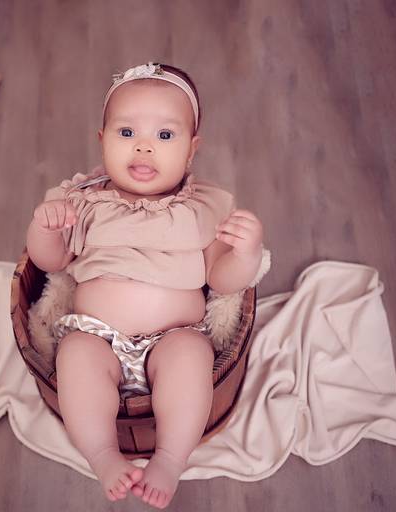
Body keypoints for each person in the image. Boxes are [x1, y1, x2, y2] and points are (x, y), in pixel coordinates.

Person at [25, 62, 264, 509]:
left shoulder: (204, 208)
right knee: (74, 356)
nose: (144, 147)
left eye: (165, 135)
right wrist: (44, 227)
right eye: (127, 132)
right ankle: (103, 455)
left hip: (173, 336)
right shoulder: (84, 200)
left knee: (192, 357)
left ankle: (170, 459)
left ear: (192, 150)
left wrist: (246, 254)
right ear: (102, 140)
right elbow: (51, 263)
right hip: (97, 335)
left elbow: (221, 278)